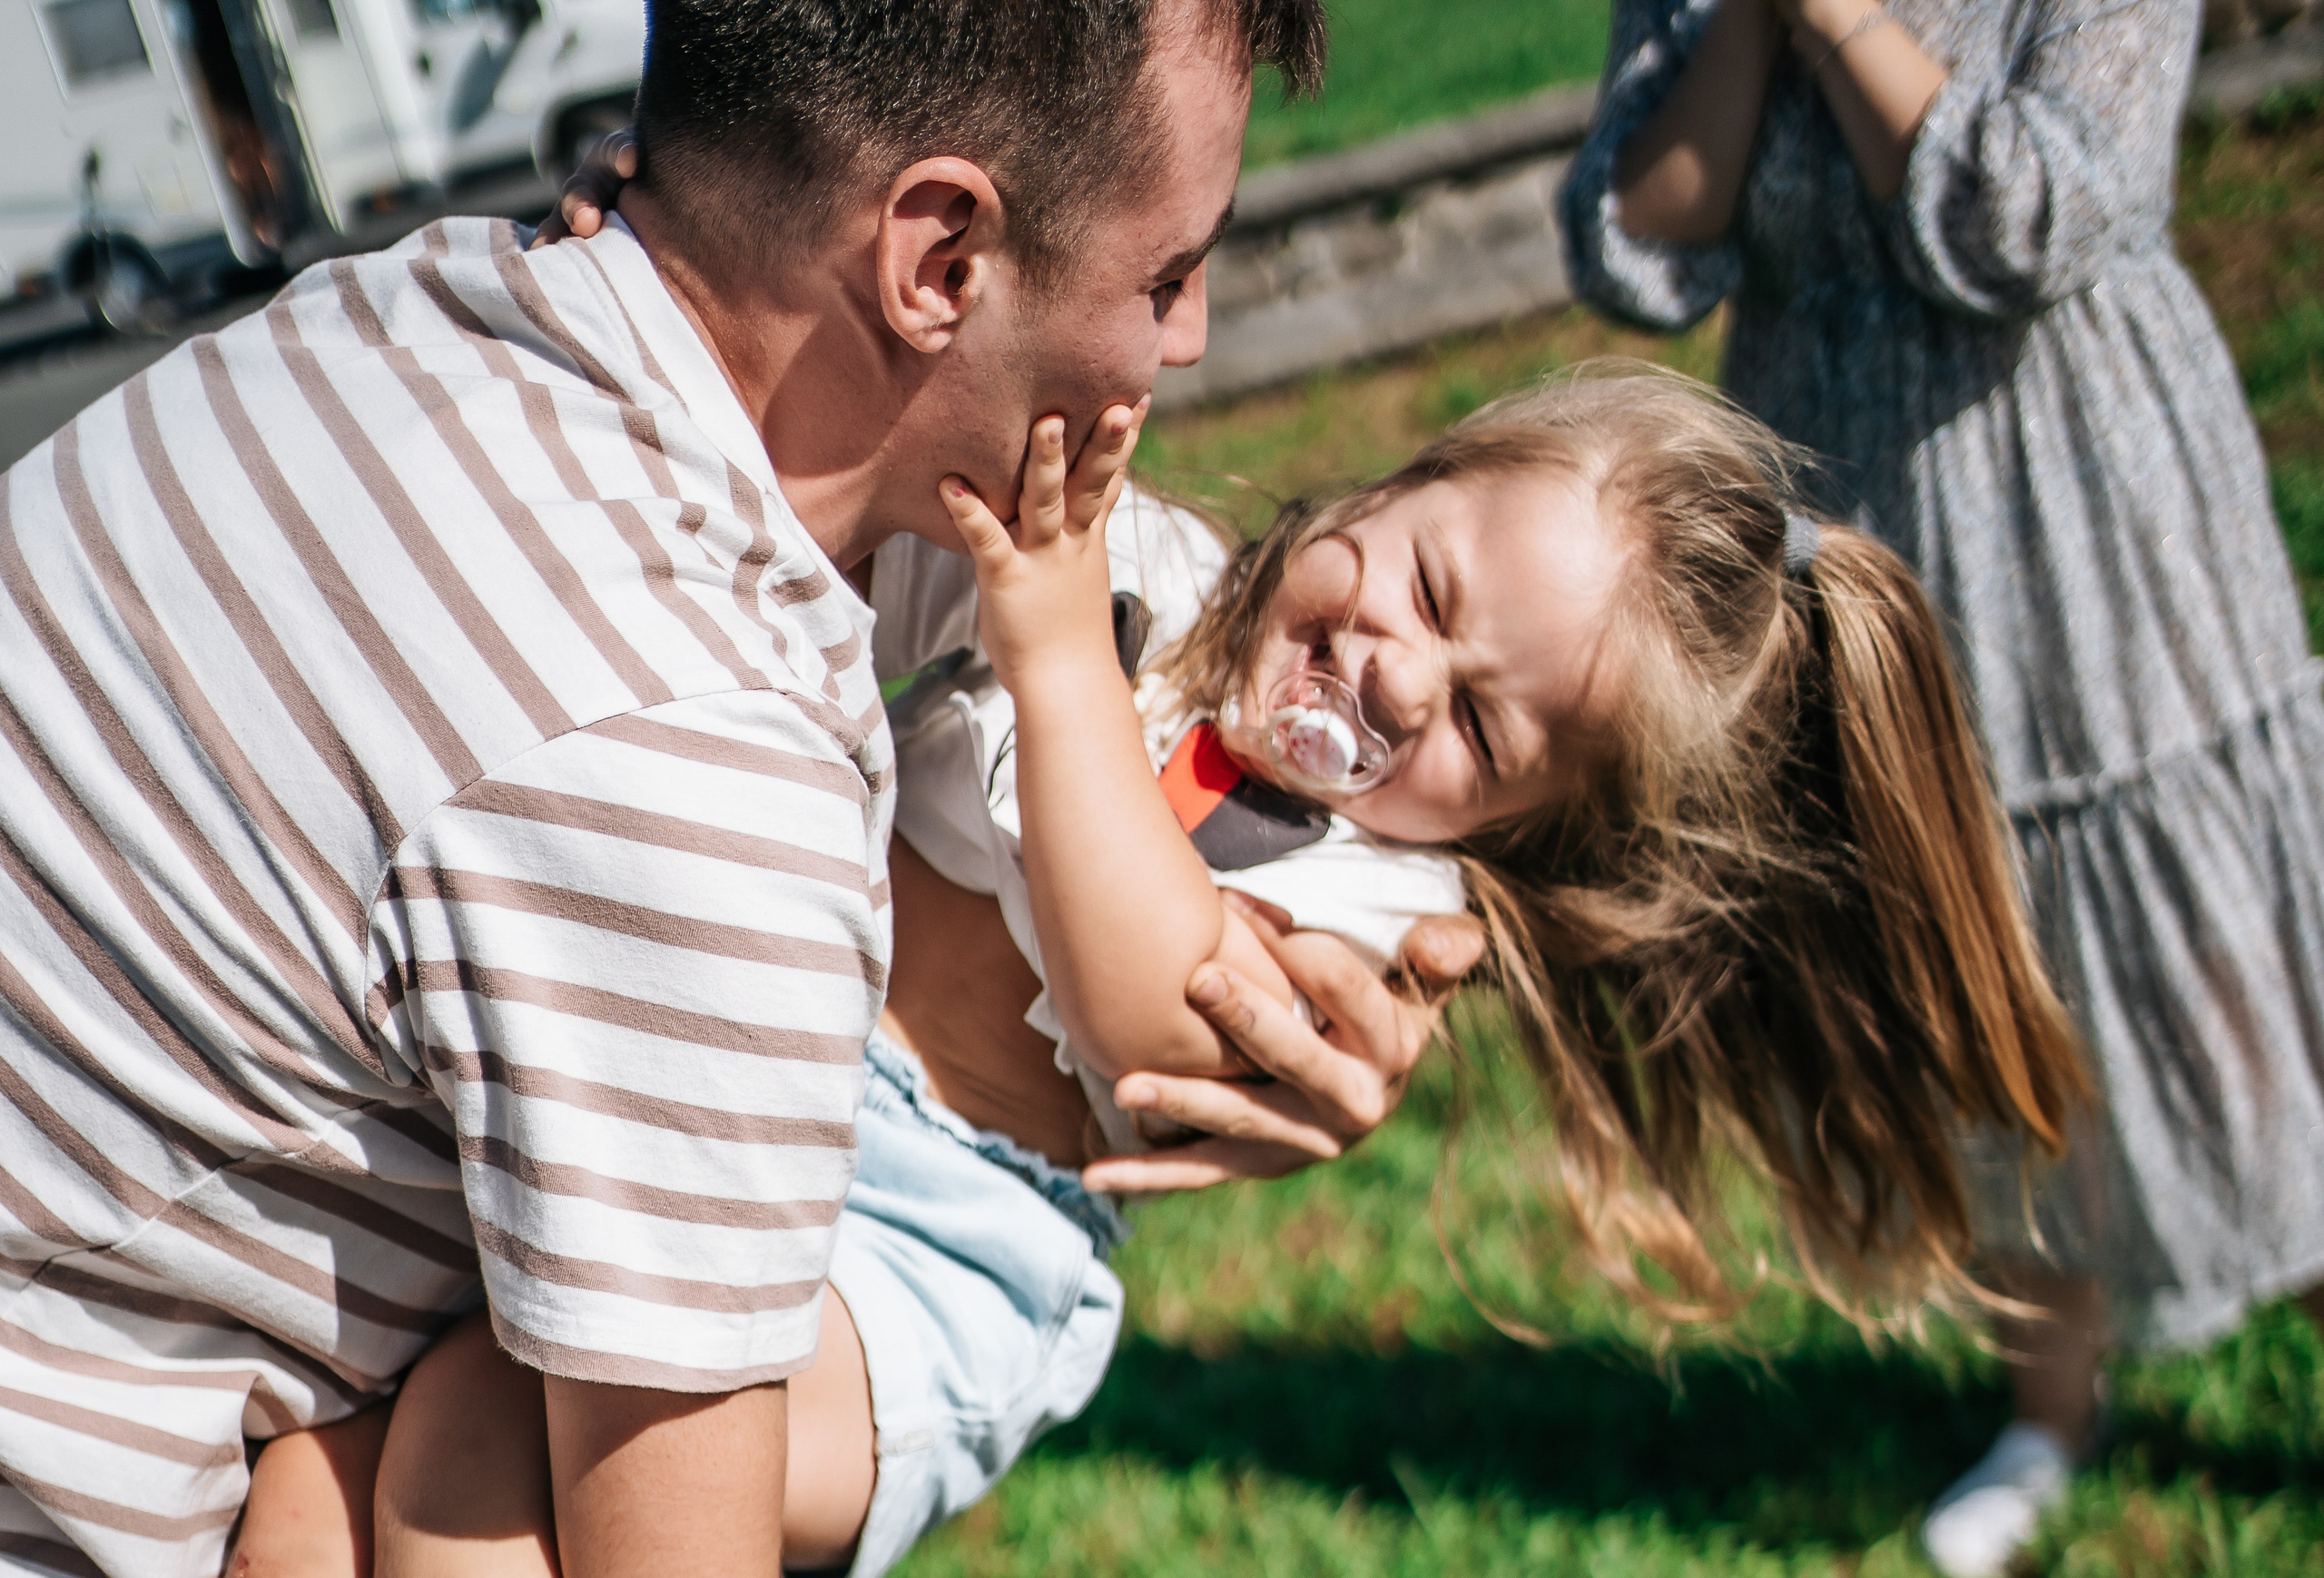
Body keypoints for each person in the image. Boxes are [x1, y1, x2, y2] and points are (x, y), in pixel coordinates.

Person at [0, 0, 1512, 1572]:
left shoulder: (392, 319)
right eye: (1167, 278)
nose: (1182, 340)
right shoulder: (686, 756)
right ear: (940, 262)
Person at [233, 360, 2092, 1577]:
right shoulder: (1140, 574)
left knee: (495, 1435)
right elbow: (829, 566)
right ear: (1400, 476)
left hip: (929, 1256)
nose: (1396, 678)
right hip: (741, 1088)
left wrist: (1049, 661)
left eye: (1484, 731)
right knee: (329, 1473)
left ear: (1516, 824)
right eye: (1428, 589)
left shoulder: (1374, 895)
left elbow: (1142, 1005)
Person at [1561, 1, 2324, 1572]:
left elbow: (2034, 211)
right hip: (1839, 512)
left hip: (2086, 501)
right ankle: (2050, 1409)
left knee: (2216, 993)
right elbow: (1644, 238)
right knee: (1963, 980)